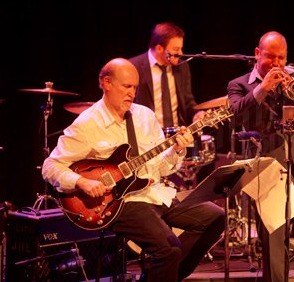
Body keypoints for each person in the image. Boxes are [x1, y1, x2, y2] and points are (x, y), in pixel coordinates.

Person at [42, 58, 225, 282]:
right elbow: (50, 166)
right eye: (127, 86)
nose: (132, 93)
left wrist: (178, 149)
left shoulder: (144, 116)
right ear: (107, 83)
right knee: (169, 250)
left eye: (135, 87)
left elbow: (163, 167)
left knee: (216, 217)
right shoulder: (87, 124)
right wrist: (82, 182)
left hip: (155, 192)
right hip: (121, 203)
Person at [227, 31, 294, 282]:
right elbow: (235, 116)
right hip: (267, 170)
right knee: (273, 245)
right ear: (257, 54)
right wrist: (262, 88)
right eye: (270, 57)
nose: (276, 63)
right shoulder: (239, 84)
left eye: (281, 58)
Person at [129, 22, 206, 129]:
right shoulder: (132, 67)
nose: (181, 53)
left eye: (181, 48)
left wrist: (195, 115)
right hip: (145, 135)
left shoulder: (182, 66)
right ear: (159, 48)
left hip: (177, 135)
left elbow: (188, 101)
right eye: (176, 49)